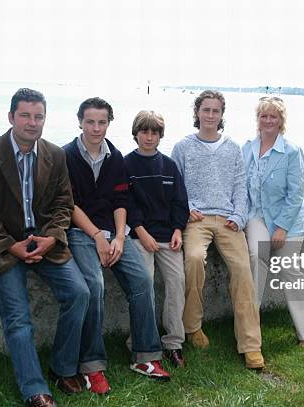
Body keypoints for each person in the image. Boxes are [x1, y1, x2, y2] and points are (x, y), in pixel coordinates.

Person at [0, 88, 89, 407]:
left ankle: (63, 368)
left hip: (45, 242)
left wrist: (51, 237)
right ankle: (35, 390)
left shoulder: (55, 154)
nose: (32, 123)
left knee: (79, 293)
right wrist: (12, 246)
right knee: (18, 317)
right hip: (4, 248)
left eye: (39, 116)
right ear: (11, 117)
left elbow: (65, 204)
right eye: (25, 115)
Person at [63, 97, 170, 387]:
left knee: (141, 280)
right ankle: (91, 365)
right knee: (94, 286)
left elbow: (121, 200)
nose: (96, 128)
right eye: (90, 122)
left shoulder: (115, 157)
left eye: (102, 122)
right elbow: (69, 205)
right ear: (80, 122)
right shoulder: (66, 156)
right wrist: (97, 236)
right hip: (80, 233)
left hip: (114, 233)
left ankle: (145, 356)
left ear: (110, 123)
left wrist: (121, 237)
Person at [171, 90, 265, 369]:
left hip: (228, 221)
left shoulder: (232, 148)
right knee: (194, 259)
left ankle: (250, 345)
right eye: (206, 110)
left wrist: (238, 216)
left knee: (242, 271)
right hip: (196, 220)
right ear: (197, 113)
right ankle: (192, 326)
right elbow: (174, 185)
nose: (210, 115)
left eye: (215, 111)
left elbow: (240, 187)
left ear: (222, 115)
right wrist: (187, 208)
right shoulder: (182, 147)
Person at [242, 96, 304, 349]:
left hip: (289, 221)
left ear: (280, 121)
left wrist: (282, 229)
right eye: (264, 116)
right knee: (255, 256)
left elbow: (296, 195)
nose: (268, 120)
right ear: (258, 119)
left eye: (273, 116)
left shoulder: (291, 151)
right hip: (257, 215)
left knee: (288, 268)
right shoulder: (248, 148)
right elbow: (241, 187)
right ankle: (249, 327)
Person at [124, 110, 190, 368]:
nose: (149, 137)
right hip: (140, 236)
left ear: (160, 136)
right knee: (145, 284)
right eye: (144, 131)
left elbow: (179, 202)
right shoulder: (125, 165)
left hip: (168, 236)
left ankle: (173, 343)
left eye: (154, 132)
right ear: (136, 133)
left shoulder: (169, 165)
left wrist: (177, 230)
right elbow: (125, 204)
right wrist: (141, 232)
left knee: (176, 282)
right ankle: (140, 342)